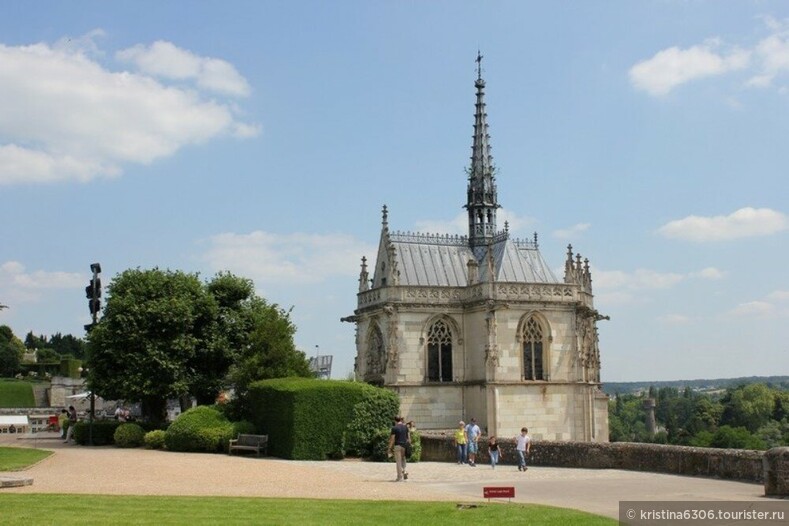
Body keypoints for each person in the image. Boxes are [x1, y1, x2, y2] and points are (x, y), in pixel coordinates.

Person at [387, 416, 410, 482]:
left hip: (398, 446)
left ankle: (399, 477)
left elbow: (392, 439)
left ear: (395, 420)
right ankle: (404, 470)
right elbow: (409, 438)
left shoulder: (394, 428)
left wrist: (389, 448)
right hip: (404, 446)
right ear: (400, 420)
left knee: (398, 461)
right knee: (403, 459)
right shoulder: (405, 427)